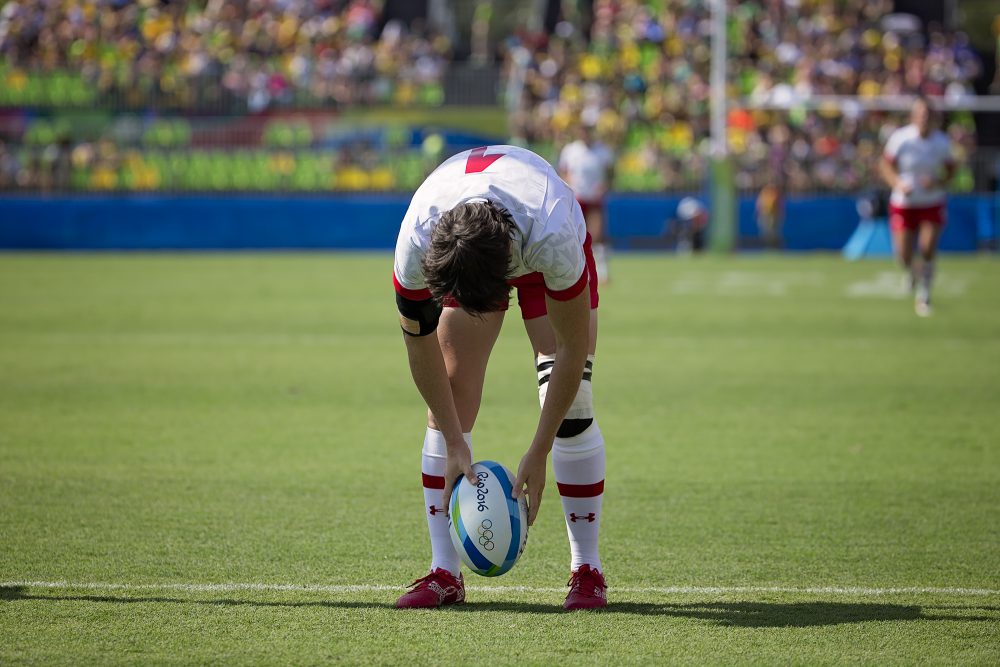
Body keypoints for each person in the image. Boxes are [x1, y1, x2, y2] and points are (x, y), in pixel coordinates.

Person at [392, 145, 607, 611]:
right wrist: (454, 441)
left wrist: (540, 449)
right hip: (477, 242)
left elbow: (569, 349)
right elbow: (419, 344)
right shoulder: (418, 238)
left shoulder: (553, 234)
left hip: (533, 235)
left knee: (573, 405)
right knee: (450, 389)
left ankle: (586, 567)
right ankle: (444, 571)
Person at [879, 96, 956, 317]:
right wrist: (897, 183)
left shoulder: (941, 142)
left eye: (928, 115)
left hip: (931, 202)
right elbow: (885, 165)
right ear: (913, 116)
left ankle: (924, 294)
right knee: (903, 254)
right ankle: (911, 273)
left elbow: (951, 170)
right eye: (921, 114)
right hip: (904, 203)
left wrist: (937, 182)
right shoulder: (901, 138)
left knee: (927, 248)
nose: (924, 118)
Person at [558, 124, 615, 283]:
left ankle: (602, 273)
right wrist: (568, 184)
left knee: (596, 236)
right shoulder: (571, 150)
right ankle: (579, 273)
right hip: (577, 198)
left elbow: (611, 172)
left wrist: (605, 184)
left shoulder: (602, 151)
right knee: (576, 236)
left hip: (595, 198)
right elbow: (563, 171)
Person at [755, 181, 784, 250]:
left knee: (773, 233)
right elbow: (759, 205)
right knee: (766, 232)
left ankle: (774, 247)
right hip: (765, 215)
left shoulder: (775, 194)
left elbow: (779, 207)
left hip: (772, 216)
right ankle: (767, 247)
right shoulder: (764, 194)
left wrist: (780, 214)